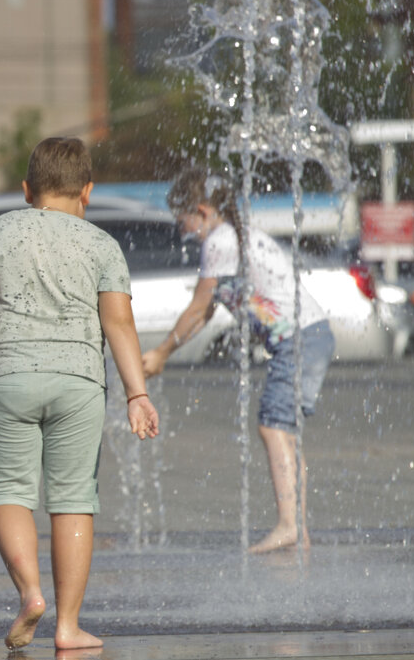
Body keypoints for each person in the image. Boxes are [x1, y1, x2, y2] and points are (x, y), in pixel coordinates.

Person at [0, 137, 160, 651]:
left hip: (10, 377)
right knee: (72, 500)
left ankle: (30, 593)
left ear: (26, 190)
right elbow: (120, 323)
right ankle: (68, 626)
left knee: (8, 489)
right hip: (79, 383)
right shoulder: (102, 245)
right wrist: (137, 393)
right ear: (87, 190)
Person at [141, 167, 334, 554]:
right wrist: (167, 351)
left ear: (201, 210)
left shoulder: (221, 239)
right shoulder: (234, 235)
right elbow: (209, 311)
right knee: (283, 428)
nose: (184, 230)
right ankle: (297, 530)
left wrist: (161, 352)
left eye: (184, 221)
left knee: (273, 425)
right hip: (310, 336)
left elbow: (199, 307)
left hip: (299, 339)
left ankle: (288, 526)